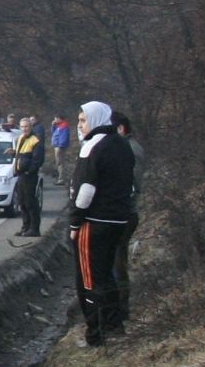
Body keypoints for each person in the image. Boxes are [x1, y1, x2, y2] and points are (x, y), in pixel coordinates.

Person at [66, 101, 136, 347]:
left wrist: (75, 222)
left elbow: (85, 190)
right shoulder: (122, 144)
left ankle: (95, 334)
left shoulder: (92, 147)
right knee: (106, 274)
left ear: (95, 120)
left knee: (88, 280)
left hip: (93, 222)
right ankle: (114, 325)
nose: (80, 126)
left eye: (83, 120)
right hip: (118, 218)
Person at [110, 112, 146, 332]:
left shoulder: (130, 150)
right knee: (117, 261)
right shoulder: (128, 148)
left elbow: (131, 185)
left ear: (121, 129)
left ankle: (120, 311)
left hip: (123, 214)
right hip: (122, 212)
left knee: (117, 262)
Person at [12, 115, 46, 237]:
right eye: (22, 127)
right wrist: (13, 154)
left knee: (30, 202)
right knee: (22, 202)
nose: (24, 129)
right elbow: (20, 156)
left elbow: (38, 160)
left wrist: (29, 171)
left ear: (31, 127)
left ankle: (34, 229)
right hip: (21, 174)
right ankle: (25, 227)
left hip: (29, 175)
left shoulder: (36, 140)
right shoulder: (21, 137)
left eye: (26, 126)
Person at [49, 115, 71, 185]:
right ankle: (60, 177)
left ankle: (62, 179)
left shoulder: (64, 126)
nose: (54, 120)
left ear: (59, 119)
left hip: (60, 147)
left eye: (55, 119)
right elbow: (54, 133)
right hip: (57, 146)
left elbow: (64, 137)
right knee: (59, 163)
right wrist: (53, 125)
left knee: (60, 163)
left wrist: (60, 147)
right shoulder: (59, 126)